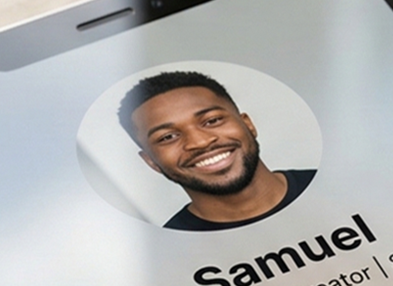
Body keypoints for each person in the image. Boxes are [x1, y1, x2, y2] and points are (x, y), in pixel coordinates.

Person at [119, 70, 313, 231]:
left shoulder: (330, 187)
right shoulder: (169, 258)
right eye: (168, 137)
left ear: (248, 125)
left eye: (212, 121)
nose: (200, 142)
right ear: (151, 161)